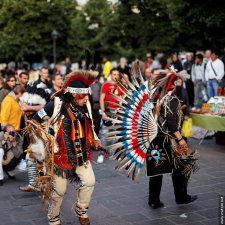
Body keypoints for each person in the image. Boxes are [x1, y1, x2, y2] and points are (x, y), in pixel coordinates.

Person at [27, 70, 102, 225]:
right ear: (75, 95)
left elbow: (90, 125)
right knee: (59, 191)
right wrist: (45, 141)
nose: (87, 98)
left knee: (89, 182)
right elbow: (34, 121)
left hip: (81, 154)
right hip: (59, 157)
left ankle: (81, 210)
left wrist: (95, 139)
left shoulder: (85, 105)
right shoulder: (54, 105)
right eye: (84, 95)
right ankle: (53, 217)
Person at [147, 71, 197, 208]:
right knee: (180, 168)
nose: (178, 85)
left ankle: (153, 200)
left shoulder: (155, 97)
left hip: (154, 139)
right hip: (169, 140)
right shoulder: (171, 99)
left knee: (156, 170)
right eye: (177, 82)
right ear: (173, 84)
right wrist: (181, 140)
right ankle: (181, 197)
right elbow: (171, 121)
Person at [19, 83, 51, 192]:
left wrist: (29, 107)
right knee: (31, 158)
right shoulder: (28, 103)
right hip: (35, 136)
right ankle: (35, 184)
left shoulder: (46, 107)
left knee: (43, 160)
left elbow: (45, 107)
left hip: (44, 136)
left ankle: (46, 185)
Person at [99, 68, 123, 163]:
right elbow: (102, 99)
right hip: (107, 111)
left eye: (117, 74)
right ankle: (102, 152)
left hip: (117, 112)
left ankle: (113, 152)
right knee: (104, 133)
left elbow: (121, 99)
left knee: (116, 133)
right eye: (114, 74)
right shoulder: (106, 85)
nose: (115, 76)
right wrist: (103, 111)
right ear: (111, 75)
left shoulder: (121, 85)